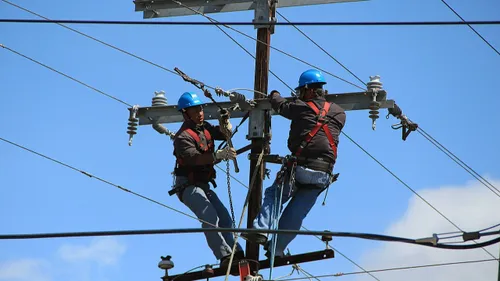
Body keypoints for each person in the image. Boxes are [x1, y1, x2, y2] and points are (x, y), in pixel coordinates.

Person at [242, 69, 346, 258]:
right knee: (297, 212)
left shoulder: (301, 107)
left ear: (308, 90)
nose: (299, 96)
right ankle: (277, 249)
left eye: (301, 92)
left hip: (300, 168)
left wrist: (273, 94)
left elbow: (280, 105)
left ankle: (261, 230)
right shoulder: (339, 113)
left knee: (275, 196)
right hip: (323, 174)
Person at [172, 91, 244, 268]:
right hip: (187, 186)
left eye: (201, 108)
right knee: (209, 216)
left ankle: (237, 252)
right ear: (185, 113)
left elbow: (224, 134)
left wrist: (224, 122)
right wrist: (218, 155)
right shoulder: (183, 137)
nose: (200, 112)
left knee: (225, 218)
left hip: (203, 185)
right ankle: (225, 256)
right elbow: (194, 158)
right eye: (195, 109)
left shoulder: (205, 128)